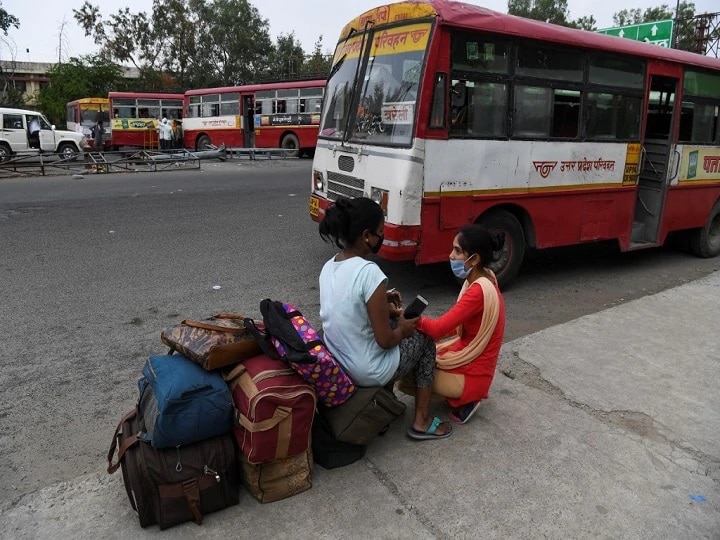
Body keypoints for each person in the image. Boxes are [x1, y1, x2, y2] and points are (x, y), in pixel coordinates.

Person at [318, 197, 452, 440]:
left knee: (394, 323)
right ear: (366, 235)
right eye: (380, 232)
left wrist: (385, 307)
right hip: (365, 370)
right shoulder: (369, 272)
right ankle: (422, 420)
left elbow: (348, 309)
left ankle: (383, 408)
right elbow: (386, 341)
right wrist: (403, 329)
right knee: (424, 341)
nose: (382, 237)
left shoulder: (329, 267)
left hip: (339, 360)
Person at [412, 225, 506, 424]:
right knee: (429, 355)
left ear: (475, 259)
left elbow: (438, 329)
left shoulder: (478, 291)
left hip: (474, 373)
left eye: (457, 251)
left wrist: (409, 318)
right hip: (472, 359)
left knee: (411, 374)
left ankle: (468, 398)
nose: (451, 256)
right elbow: (458, 327)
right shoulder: (484, 277)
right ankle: (458, 394)